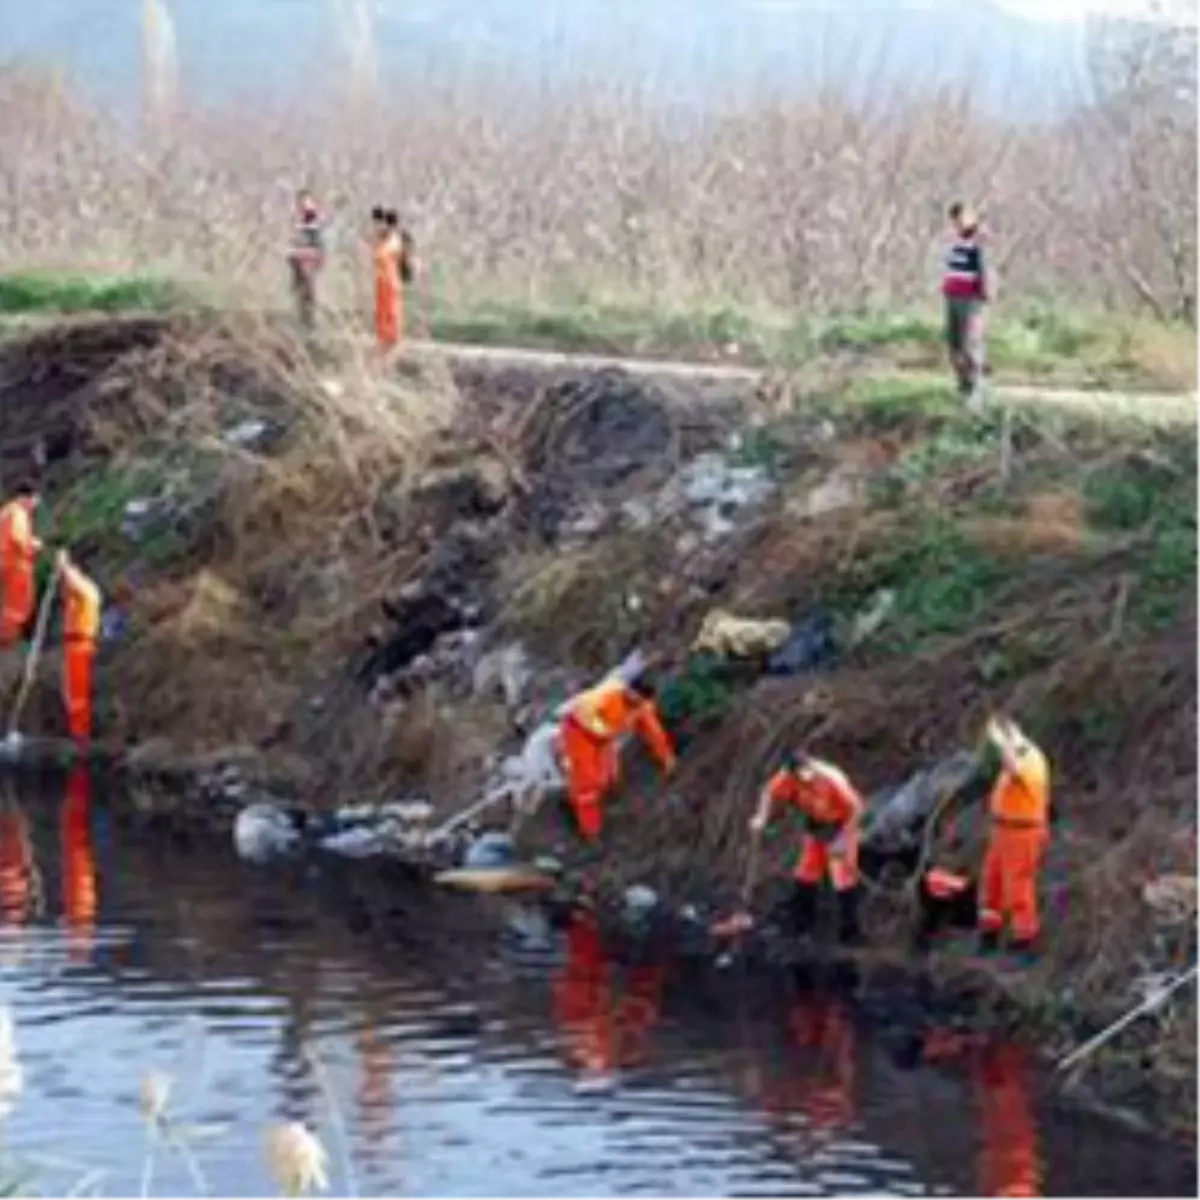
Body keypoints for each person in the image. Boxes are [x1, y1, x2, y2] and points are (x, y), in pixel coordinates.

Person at [750, 751, 865, 945]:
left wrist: (842, 841)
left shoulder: (831, 778)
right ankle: (802, 925)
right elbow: (768, 792)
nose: (804, 778)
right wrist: (761, 817)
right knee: (805, 873)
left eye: (807, 773)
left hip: (841, 826)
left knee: (842, 878)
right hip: (816, 827)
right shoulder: (787, 777)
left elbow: (857, 809)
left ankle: (850, 932)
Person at [556, 671, 676, 845]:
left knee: (608, 777)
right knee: (587, 782)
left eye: (640, 700)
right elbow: (585, 716)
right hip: (579, 733)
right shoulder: (606, 695)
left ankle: (591, 805)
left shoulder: (641, 708)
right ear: (628, 690)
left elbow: (653, 733)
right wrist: (606, 731)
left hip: (603, 738)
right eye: (633, 695)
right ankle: (590, 830)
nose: (636, 702)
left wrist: (667, 758)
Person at [977, 715, 1051, 958]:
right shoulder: (1017, 756)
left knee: (1018, 886)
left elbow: (1013, 769)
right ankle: (990, 934)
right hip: (1003, 831)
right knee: (992, 882)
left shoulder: (1031, 759)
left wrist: (1002, 743)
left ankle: (1025, 940)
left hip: (1022, 832)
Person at [942, 201, 989, 406]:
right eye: (955, 219)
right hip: (952, 295)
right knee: (955, 346)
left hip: (970, 298)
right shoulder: (954, 242)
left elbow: (986, 270)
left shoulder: (979, 241)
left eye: (962, 218)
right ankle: (963, 387)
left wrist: (982, 295)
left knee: (970, 344)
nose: (959, 223)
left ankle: (976, 391)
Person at [58, 551, 102, 746]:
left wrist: (64, 565)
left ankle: (80, 735)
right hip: (73, 644)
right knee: (71, 692)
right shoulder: (76, 592)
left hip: (80, 644)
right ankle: (76, 732)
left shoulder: (87, 589)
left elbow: (74, 582)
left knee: (77, 693)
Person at [0, 483, 42, 648]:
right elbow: (18, 539)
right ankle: (6, 639)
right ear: (26, 498)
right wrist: (33, 545)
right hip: (16, 563)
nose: (34, 507)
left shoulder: (6, 511)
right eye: (34, 502)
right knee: (17, 605)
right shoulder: (18, 513)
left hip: (6, 561)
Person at [287, 189, 325, 332]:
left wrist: (315, 257)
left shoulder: (311, 218)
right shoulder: (299, 220)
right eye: (302, 202)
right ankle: (303, 322)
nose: (305, 205)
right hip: (299, 261)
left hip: (308, 261)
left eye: (307, 201)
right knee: (300, 293)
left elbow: (315, 243)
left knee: (308, 294)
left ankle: (309, 325)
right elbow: (296, 241)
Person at [373, 207, 403, 355]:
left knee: (391, 312)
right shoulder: (382, 240)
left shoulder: (393, 241)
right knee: (381, 313)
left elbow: (385, 255)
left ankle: (393, 340)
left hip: (390, 281)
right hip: (381, 281)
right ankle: (383, 340)